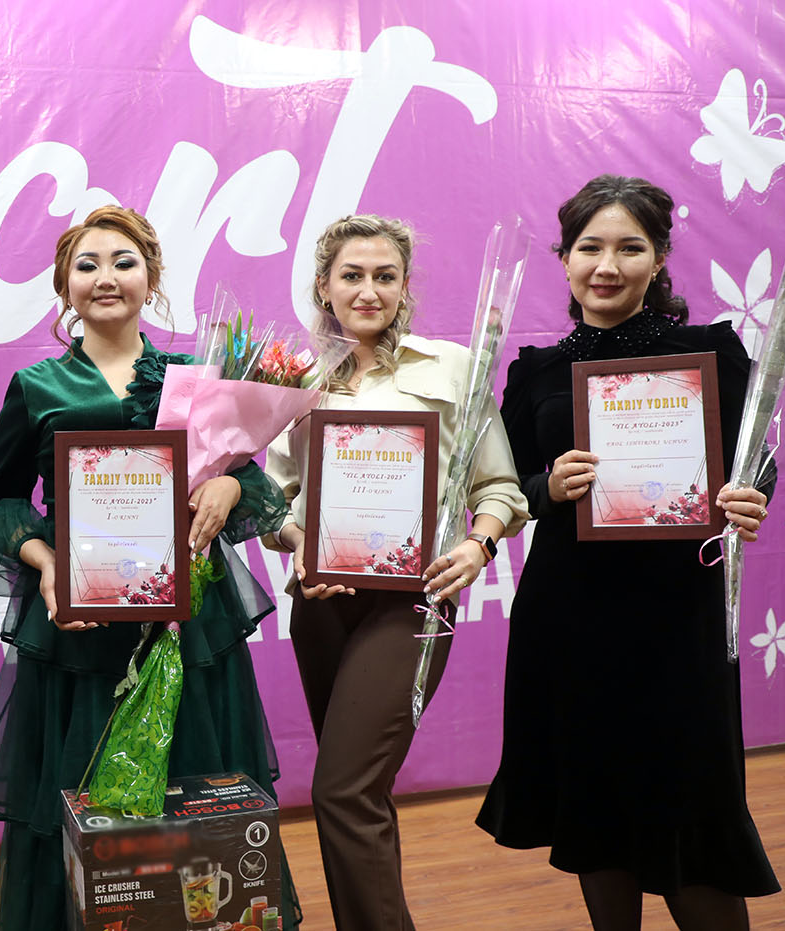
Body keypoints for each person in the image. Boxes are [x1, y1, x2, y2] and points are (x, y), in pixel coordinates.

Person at [0, 205, 300, 930]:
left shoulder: (194, 378)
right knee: (87, 806)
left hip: (186, 622)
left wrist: (229, 485)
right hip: (81, 628)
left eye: (123, 261)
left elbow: (251, 481)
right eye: (86, 264)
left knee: (198, 798)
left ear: (151, 278)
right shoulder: (37, 385)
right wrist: (44, 561)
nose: (106, 277)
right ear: (64, 285)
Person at [476, 175, 779, 930]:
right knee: (595, 803)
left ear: (660, 256)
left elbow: (756, 458)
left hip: (679, 616)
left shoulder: (709, 352)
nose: (607, 266)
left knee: (692, 807)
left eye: (629, 248)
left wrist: (750, 493)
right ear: (565, 258)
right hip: (570, 617)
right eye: (590, 248)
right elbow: (505, 488)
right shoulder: (534, 371)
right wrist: (550, 485)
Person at [262, 214, 530, 930]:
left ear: (405, 286)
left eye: (385, 276)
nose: (369, 290)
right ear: (324, 286)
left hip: (412, 602)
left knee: (343, 790)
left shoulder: (453, 366)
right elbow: (274, 501)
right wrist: (297, 541)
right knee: (359, 792)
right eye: (352, 275)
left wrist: (479, 545)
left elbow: (499, 487)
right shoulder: (296, 381)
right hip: (321, 601)